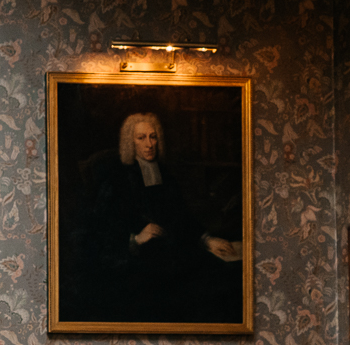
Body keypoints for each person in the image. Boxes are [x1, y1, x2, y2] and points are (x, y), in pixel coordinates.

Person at [73, 112, 240, 325]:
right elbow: (100, 228)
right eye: (141, 138)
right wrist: (135, 238)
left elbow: (181, 215)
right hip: (133, 260)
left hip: (169, 252)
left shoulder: (165, 174)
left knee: (217, 276)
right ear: (129, 142)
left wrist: (207, 239)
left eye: (153, 137)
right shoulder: (116, 178)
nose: (149, 144)